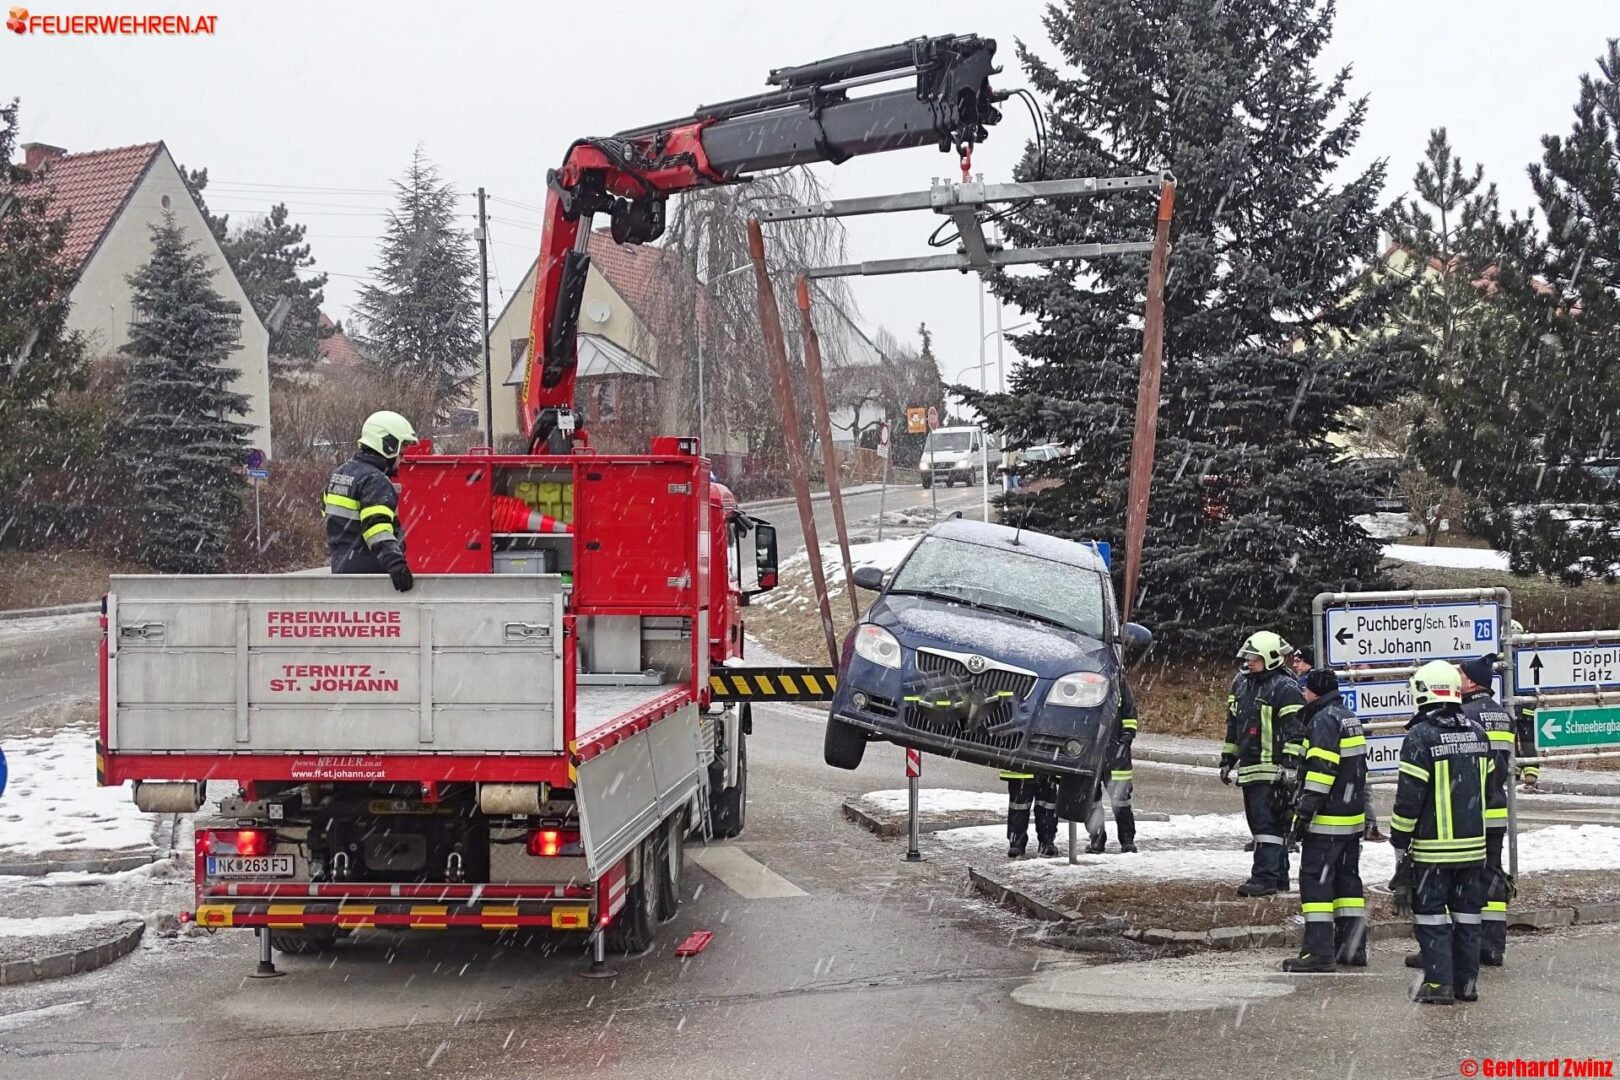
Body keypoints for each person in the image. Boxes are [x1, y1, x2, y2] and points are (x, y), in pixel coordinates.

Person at [1388, 660, 1494, 1005]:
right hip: (1473, 848)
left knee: (1432, 915)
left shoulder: (1421, 736)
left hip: (1434, 850)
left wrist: (1399, 839)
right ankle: (1466, 984)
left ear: (1423, 692)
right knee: (1468, 915)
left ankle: (1438, 984)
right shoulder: (1478, 732)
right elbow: (1490, 788)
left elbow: (1409, 798)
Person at [1282, 668, 1368, 971]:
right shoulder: (1348, 717)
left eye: (1305, 690)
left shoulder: (1323, 720)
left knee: (1316, 884)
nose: (1302, 695)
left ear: (1314, 692)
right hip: (1351, 818)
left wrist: (1304, 813)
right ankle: (1352, 949)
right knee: (1348, 886)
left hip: (1327, 819)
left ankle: (1318, 953)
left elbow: (1321, 772)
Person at [1222, 631, 1307, 896]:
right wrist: (1228, 759)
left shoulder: (1285, 688)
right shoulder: (1241, 684)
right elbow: (1234, 726)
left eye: (1255, 658)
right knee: (1264, 826)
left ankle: (1264, 878)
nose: (1249, 663)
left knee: (1267, 826)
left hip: (1273, 771)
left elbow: (1297, 731)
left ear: (1271, 658)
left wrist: (1290, 766)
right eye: (1248, 658)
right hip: (1250, 769)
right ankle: (1278, 876)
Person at [1459, 654, 1515, 966]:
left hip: (1471, 809)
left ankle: (1464, 946)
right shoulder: (1503, 715)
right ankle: (1493, 946)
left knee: (1464, 875)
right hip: (1495, 807)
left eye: (1461, 675)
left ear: (1470, 682)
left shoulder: (1465, 715)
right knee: (1492, 872)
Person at [324, 410, 419, 591]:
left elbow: (326, 511)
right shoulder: (375, 480)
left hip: (342, 569)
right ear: (388, 447)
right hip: (370, 575)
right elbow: (377, 528)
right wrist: (395, 562)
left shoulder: (340, 473)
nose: (402, 459)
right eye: (401, 454)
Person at [1087, 680, 1139, 854]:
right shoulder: (1086, 680)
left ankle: (1127, 840)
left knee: (1121, 800)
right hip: (1090, 753)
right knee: (1091, 801)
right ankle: (1097, 840)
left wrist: (1126, 737)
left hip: (1116, 755)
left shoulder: (1119, 683)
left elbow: (1130, 712)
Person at [1509, 620, 1541, 792]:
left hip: (1518, 704)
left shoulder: (1504, 658)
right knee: (1523, 737)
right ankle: (1523, 771)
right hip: (1522, 703)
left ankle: (1524, 771)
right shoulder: (1527, 655)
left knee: (1518, 737)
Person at [1001, 766, 1059, 858]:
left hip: (1046, 769)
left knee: (1046, 806)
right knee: (1019, 807)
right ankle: (1017, 843)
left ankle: (1046, 842)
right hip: (1023, 768)